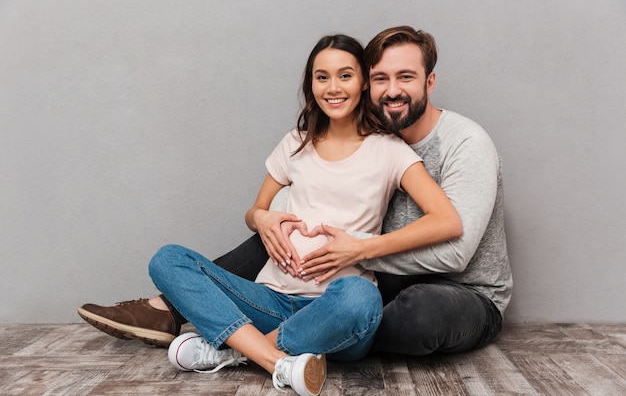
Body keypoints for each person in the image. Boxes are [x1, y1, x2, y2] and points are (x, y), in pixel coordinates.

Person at [79, 25, 511, 360]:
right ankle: (226, 329)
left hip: (456, 291)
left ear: (430, 82)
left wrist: (359, 251)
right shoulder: (305, 142)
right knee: (184, 255)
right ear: (369, 84)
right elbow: (290, 203)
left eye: (406, 77)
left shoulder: (448, 145)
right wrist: (265, 218)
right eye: (381, 77)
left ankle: (239, 347)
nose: (392, 89)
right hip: (303, 290)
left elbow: (455, 249)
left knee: (390, 309)